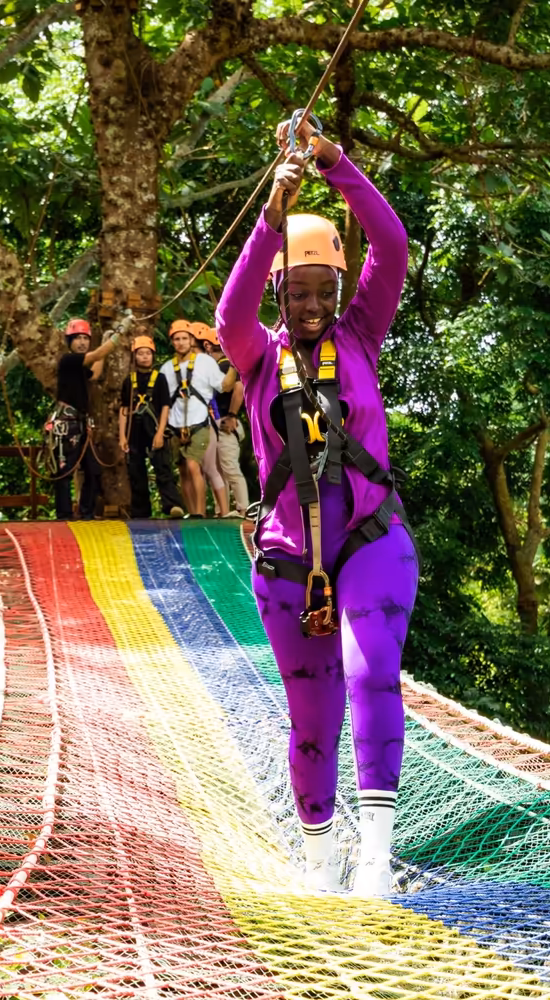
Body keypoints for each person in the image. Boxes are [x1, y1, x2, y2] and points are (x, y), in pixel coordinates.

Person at [216, 118, 419, 897]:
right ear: (280, 293)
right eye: (297, 292)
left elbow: (392, 248)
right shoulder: (258, 357)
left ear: (339, 293)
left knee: (373, 675)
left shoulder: (363, 338)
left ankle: (375, 862)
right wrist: (273, 215)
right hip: (290, 563)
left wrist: (335, 164)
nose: (310, 304)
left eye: (322, 291)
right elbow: (232, 312)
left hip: (372, 543)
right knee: (312, 724)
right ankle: (319, 860)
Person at [161, 318, 236, 517]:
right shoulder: (167, 369)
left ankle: (200, 513)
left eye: (185, 338)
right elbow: (163, 401)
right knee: (183, 469)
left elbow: (225, 386)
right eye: (177, 339)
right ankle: (192, 511)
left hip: (200, 422)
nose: (181, 342)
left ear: (191, 340)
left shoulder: (205, 363)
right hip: (176, 424)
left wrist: (235, 365)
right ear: (172, 342)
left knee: (194, 464)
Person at [52, 317, 120, 520]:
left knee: (93, 470)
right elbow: (97, 354)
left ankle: (86, 512)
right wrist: (119, 334)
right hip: (66, 424)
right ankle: (64, 515)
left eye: (85, 338)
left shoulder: (80, 365)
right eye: (77, 338)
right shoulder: (68, 360)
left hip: (81, 423)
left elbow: (95, 373)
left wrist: (106, 341)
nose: (82, 342)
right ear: (69, 342)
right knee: (64, 471)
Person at [118, 333, 185, 519]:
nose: (145, 357)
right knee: (136, 471)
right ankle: (141, 512)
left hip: (154, 426)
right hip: (134, 429)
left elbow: (165, 406)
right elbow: (124, 409)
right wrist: (123, 436)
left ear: (152, 355)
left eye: (148, 353)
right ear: (135, 357)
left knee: (163, 467)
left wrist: (160, 433)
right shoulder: (128, 380)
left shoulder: (160, 378)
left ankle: (172, 506)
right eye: (141, 353)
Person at [198, 325, 249, 518]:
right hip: (218, 422)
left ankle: (242, 509)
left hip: (226, 422)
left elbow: (238, 389)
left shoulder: (226, 365)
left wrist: (232, 415)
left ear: (208, 346)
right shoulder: (221, 366)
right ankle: (223, 510)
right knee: (218, 468)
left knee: (228, 467)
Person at [191, 322, 232, 518]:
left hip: (207, 418)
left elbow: (225, 386)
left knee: (209, 467)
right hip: (192, 420)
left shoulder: (208, 366)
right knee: (198, 467)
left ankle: (223, 511)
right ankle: (203, 512)